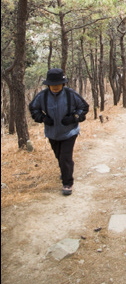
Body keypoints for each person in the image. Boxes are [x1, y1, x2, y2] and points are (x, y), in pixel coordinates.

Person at [29, 68, 89, 196]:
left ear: (63, 83)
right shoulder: (42, 96)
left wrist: (74, 117)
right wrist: (43, 118)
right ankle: (65, 170)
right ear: (48, 85)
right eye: (52, 84)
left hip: (69, 132)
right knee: (59, 156)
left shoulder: (70, 94)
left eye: (57, 84)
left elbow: (84, 107)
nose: (55, 87)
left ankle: (67, 183)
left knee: (64, 157)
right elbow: (33, 109)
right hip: (52, 133)